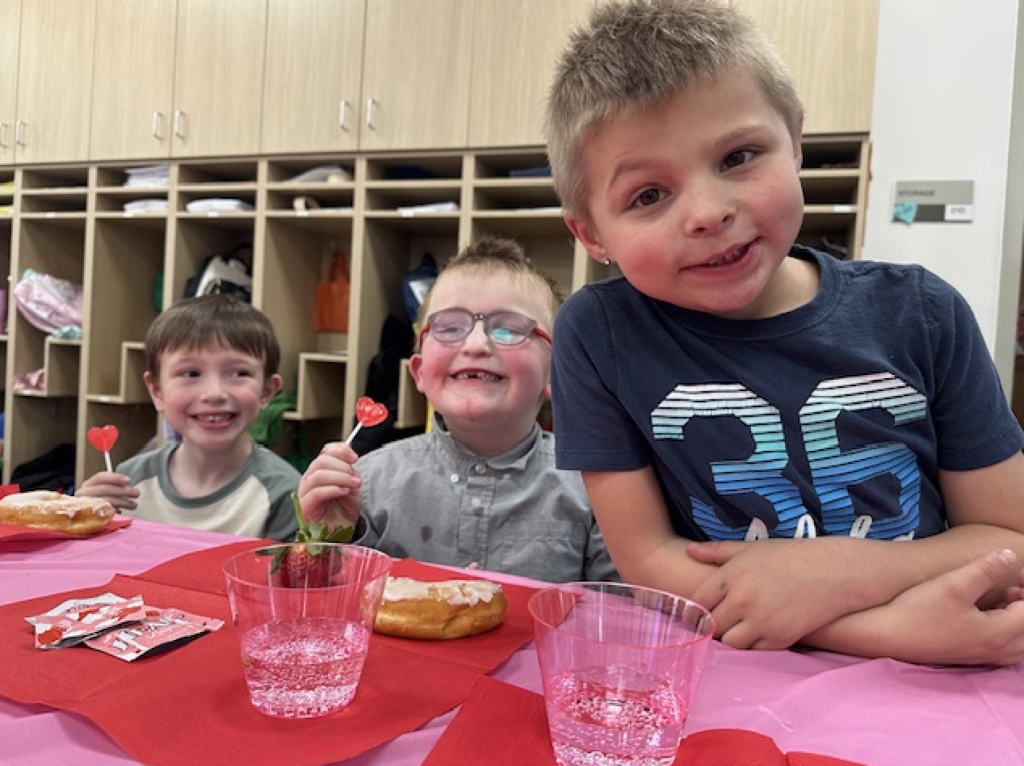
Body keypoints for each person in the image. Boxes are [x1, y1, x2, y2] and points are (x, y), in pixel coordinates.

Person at [545, 0, 1024, 665]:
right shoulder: (597, 335)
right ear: (592, 233)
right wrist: (881, 631)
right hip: (743, 675)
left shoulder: (923, 311)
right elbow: (651, 562)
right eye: (648, 195)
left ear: (796, 141)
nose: (710, 212)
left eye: (739, 156)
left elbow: (1008, 536)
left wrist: (846, 570)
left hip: (948, 674)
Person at [297, 236, 618, 582]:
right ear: (419, 371)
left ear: (557, 375)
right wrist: (327, 540)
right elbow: (321, 607)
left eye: (509, 330)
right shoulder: (365, 484)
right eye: (449, 328)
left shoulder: (595, 489)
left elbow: (617, 619)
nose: (476, 344)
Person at [77, 294, 300, 541]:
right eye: (190, 373)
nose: (214, 393)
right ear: (157, 391)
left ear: (267, 391)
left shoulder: (285, 493)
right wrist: (83, 523)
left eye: (239, 372)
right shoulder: (129, 482)